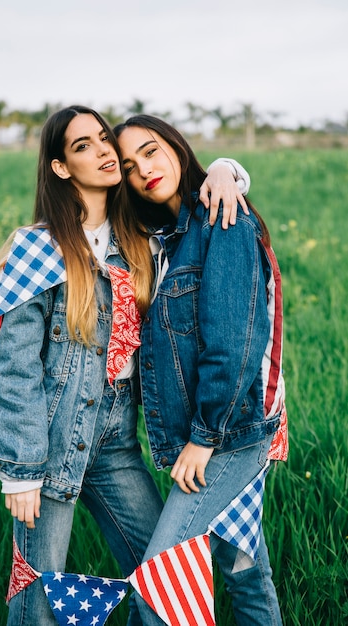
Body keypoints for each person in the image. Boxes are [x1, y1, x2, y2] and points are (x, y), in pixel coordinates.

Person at [0, 105, 251, 625]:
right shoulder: (41, 249)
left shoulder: (136, 239)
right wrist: (22, 470)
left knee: (164, 576)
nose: (102, 152)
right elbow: (15, 369)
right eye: (82, 146)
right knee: (39, 594)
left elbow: (188, 199)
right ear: (59, 168)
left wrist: (226, 167)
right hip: (50, 441)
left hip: (116, 440)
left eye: (104, 140)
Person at [115, 115, 287, 625]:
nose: (143, 169)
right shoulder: (159, 241)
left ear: (175, 146)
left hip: (226, 433)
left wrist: (204, 436)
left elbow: (234, 342)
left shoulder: (222, 217)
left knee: (158, 586)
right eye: (128, 165)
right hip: (205, 434)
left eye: (150, 151)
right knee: (243, 570)